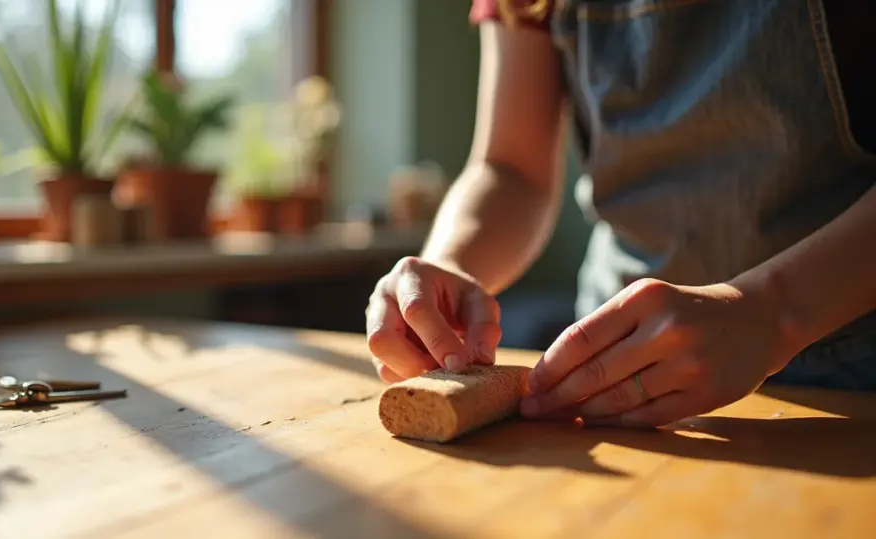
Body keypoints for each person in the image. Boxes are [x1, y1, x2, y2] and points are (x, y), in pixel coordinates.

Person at [365, 0, 876, 429]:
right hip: (613, 385)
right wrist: (449, 262)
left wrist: (773, 312)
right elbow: (510, 168)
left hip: (853, 377)